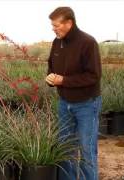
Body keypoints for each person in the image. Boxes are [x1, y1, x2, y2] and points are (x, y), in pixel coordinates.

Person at [45, 7, 102, 180]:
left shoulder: (87, 42)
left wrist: (64, 81)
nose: (53, 29)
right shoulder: (57, 42)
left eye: (56, 25)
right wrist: (50, 77)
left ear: (69, 23)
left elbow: (93, 76)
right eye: (52, 25)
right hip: (64, 103)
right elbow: (51, 66)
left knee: (86, 149)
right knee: (65, 147)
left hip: (86, 104)